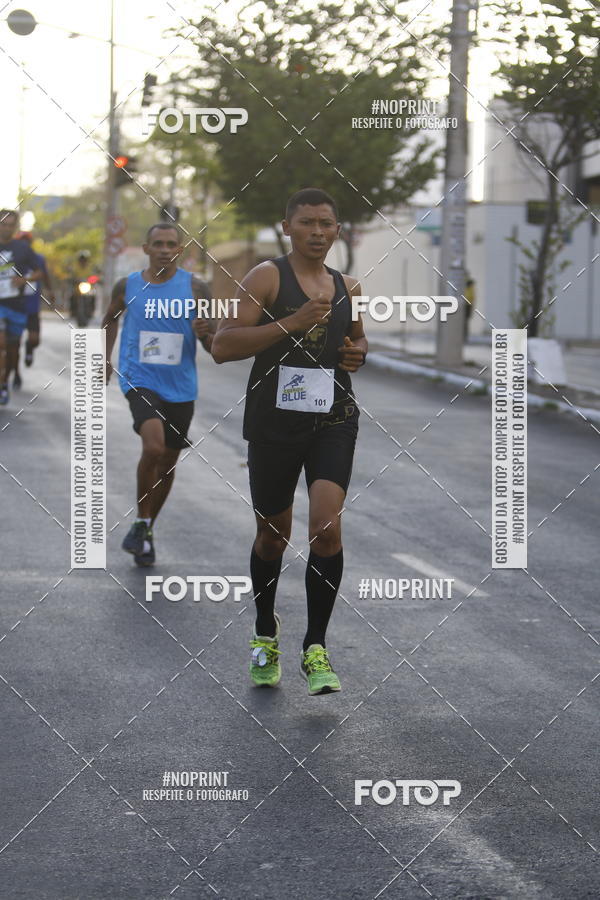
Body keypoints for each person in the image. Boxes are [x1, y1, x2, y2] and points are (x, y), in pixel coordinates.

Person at [212, 188, 368, 696]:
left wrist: (356, 354)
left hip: (333, 418)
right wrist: (292, 323)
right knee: (272, 535)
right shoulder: (267, 276)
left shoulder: (348, 285)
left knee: (326, 528)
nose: (317, 232)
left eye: (326, 223)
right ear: (288, 227)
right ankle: (264, 632)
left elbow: (358, 338)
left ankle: (316, 648)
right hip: (274, 424)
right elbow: (223, 345)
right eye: (307, 223)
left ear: (337, 230)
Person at [102, 222, 214, 566]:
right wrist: (104, 359)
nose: (165, 249)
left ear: (179, 250)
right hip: (140, 377)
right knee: (153, 446)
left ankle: (146, 527)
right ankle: (140, 520)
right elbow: (109, 320)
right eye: (158, 244)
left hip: (181, 386)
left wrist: (206, 332)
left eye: (171, 244)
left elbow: (214, 344)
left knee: (168, 461)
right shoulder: (128, 285)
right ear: (147, 248)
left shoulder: (197, 288)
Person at [0, 210, 44, 405]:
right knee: (1, 344)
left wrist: (24, 279)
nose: (6, 228)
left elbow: (39, 272)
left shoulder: (23, 249)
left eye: (11, 224)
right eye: (3, 223)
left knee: (11, 350)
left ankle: (4, 381)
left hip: (17, 307)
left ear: (15, 227)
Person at [12, 231, 53, 387]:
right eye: (21, 241)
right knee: (13, 345)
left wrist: (50, 291)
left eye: (27, 241)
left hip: (32, 308)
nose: (24, 244)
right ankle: (16, 373)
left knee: (35, 339)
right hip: (15, 306)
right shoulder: (11, 259)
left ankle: (29, 348)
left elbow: (45, 276)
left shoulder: (38, 259)